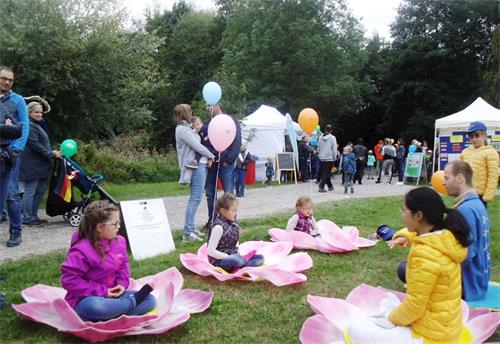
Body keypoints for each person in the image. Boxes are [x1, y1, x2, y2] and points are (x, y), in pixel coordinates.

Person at [348, 187, 469, 342]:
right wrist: (403, 236)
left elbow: (414, 306)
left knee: (356, 329)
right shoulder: (446, 237)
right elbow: (416, 234)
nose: (402, 215)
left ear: (418, 215)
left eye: (403, 211)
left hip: (431, 336)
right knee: (389, 303)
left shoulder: (425, 254)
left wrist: (391, 320)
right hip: (445, 327)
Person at [60, 201, 156, 322]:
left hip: (114, 296)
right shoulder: (81, 250)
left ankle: (114, 313)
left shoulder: (119, 241)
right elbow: (70, 281)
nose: (118, 227)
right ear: (100, 227)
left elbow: (123, 266)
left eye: (119, 223)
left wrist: (121, 284)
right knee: (94, 308)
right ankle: (128, 306)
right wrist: (103, 292)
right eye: (115, 224)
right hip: (87, 299)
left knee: (150, 299)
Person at [444, 160, 491, 301]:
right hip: (480, 279)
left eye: (447, 178)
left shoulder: (465, 209)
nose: (443, 183)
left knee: (406, 269)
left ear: (459, 178)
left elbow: (467, 253)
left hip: (469, 284)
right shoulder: (476, 203)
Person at [174, 104, 215, 242]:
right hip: (196, 166)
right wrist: (211, 155)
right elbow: (197, 146)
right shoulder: (182, 130)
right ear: (185, 113)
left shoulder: (187, 129)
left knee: (196, 197)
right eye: (190, 112)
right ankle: (187, 233)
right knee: (195, 198)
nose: (192, 113)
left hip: (200, 165)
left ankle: (190, 228)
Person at [0, 66, 29, 247]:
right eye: (3, 78)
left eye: (10, 80)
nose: (6, 82)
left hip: (9, 155)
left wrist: (16, 149)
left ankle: (16, 232)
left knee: (11, 195)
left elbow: (24, 126)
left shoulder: (18, 100)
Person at [19, 102, 61, 226]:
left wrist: (51, 153)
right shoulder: (30, 126)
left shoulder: (38, 125)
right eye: (36, 112)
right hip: (32, 165)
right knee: (30, 190)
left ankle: (33, 215)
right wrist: (51, 154)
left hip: (42, 165)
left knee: (41, 190)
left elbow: (41, 144)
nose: (39, 114)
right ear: (29, 113)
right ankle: (26, 217)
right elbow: (35, 145)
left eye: (41, 112)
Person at [201, 103, 242, 228]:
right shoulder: (209, 123)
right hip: (212, 163)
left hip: (226, 164)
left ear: (218, 105)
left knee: (228, 193)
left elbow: (237, 141)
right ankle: (212, 220)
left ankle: (231, 220)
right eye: (206, 106)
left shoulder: (230, 120)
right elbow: (205, 142)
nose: (207, 108)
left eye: (209, 106)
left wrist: (229, 160)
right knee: (210, 193)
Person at [206, 193, 264, 273]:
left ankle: (242, 265)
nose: (235, 213)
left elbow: (235, 242)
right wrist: (227, 256)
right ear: (223, 211)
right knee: (235, 260)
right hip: (220, 261)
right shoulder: (218, 227)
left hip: (234, 256)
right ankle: (244, 264)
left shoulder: (233, 224)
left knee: (260, 257)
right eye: (233, 210)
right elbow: (210, 251)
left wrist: (237, 251)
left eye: (236, 210)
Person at [460, 121, 499, 208]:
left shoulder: (490, 152)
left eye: (477, 135)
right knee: (465, 219)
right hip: (465, 194)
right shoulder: (465, 152)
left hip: (480, 196)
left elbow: (493, 176)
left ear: (484, 135)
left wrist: (487, 197)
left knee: (479, 220)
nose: (473, 139)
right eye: (470, 136)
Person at [317, 124, 337, 193]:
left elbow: (318, 147)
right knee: (325, 173)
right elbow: (334, 149)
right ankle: (321, 187)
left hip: (322, 158)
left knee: (327, 172)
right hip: (329, 158)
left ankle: (330, 186)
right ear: (331, 130)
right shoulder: (332, 138)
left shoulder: (320, 137)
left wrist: (320, 155)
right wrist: (335, 157)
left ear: (325, 129)